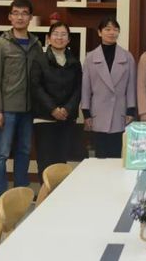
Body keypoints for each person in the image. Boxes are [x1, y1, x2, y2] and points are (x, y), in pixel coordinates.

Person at [0, 0, 44, 201]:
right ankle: (0, 195)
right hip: (7, 108)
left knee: (24, 151)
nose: (20, 17)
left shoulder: (36, 44)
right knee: (2, 153)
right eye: (16, 13)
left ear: (30, 17)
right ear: (10, 17)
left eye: (24, 13)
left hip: (29, 109)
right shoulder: (0, 44)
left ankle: (21, 191)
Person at [30, 22, 82, 182]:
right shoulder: (39, 60)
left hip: (66, 118)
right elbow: (36, 87)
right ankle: (45, 193)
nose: (59, 37)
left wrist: (67, 109)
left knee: (61, 160)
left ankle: (58, 193)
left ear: (68, 39)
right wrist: (53, 109)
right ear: (48, 38)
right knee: (45, 160)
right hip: (44, 117)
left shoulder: (74, 62)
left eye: (63, 34)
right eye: (56, 34)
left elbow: (78, 89)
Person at [81, 17, 136, 158]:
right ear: (100, 32)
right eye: (107, 29)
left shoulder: (127, 57)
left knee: (117, 155)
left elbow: (131, 86)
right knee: (100, 155)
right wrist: (86, 113)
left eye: (115, 29)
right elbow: (86, 88)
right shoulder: (90, 57)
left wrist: (131, 110)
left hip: (120, 112)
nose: (112, 33)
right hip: (98, 113)